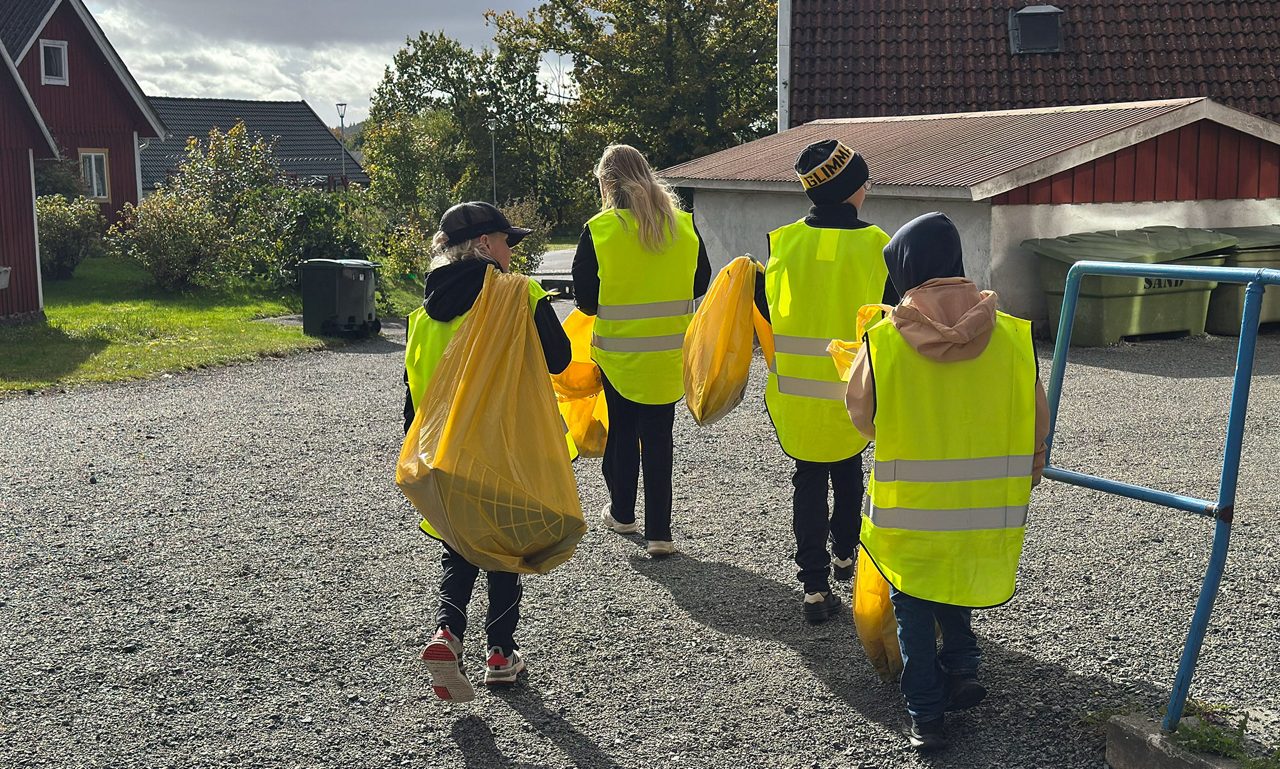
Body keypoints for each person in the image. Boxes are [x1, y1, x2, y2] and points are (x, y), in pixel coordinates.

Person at [844, 212, 1050, 751]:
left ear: (905, 270)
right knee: (954, 581)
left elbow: (862, 418)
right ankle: (963, 670)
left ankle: (926, 715)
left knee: (913, 603)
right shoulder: (1014, 336)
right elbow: (1036, 419)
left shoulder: (882, 341)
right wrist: (1028, 472)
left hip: (910, 511)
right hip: (986, 505)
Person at [403, 201, 571, 703]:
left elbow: (412, 400)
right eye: (505, 242)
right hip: (504, 449)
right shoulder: (519, 294)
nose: (510, 253)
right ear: (483, 245)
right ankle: (499, 652)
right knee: (505, 545)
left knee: (460, 545)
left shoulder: (421, 317)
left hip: (442, 454)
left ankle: (448, 631)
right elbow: (560, 359)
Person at [753, 139, 896, 623]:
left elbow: (765, 307)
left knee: (808, 479)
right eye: (865, 182)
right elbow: (894, 317)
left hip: (795, 391)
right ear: (852, 189)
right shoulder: (880, 245)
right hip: (855, 387)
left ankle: (813, 587)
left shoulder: (782, 242)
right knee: (849, 468)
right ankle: (845, 554)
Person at [572, 144, 710, 556]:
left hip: (619, 355)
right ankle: (660, 534)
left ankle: (622, 513)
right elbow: (700, 282)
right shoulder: (683, 225)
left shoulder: (600, 230)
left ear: (607, 183)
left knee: (622, 432)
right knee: (659, 439)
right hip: (669, 354)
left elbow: (585, 300)